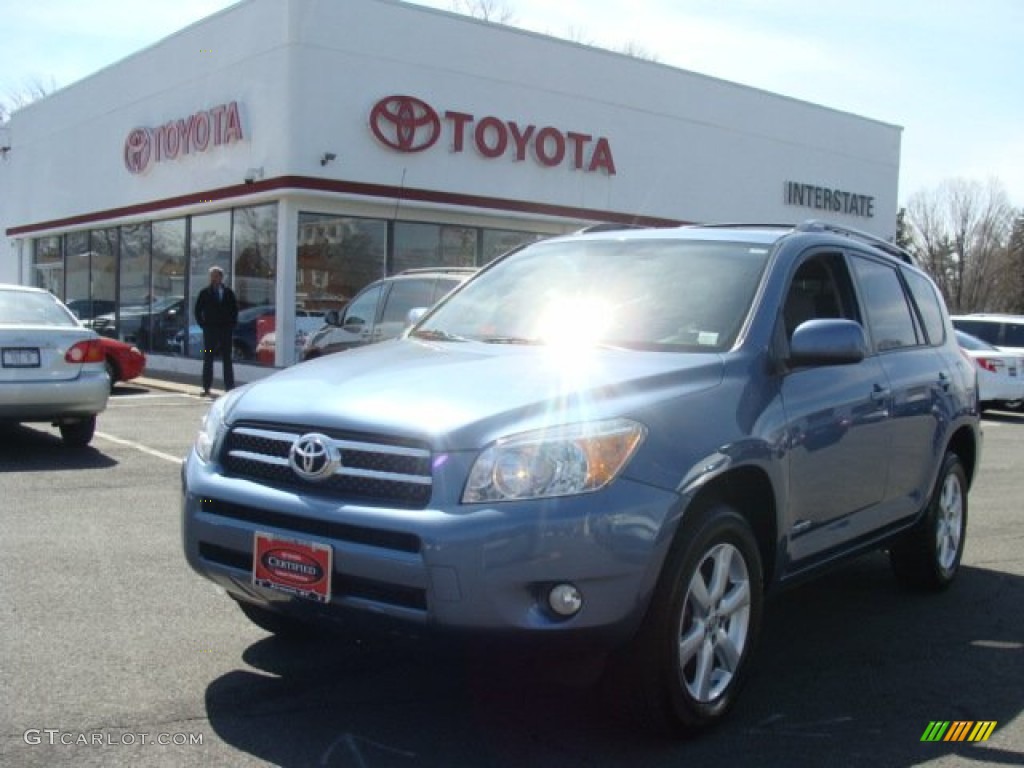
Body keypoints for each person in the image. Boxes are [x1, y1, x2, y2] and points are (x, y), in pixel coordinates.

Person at [194, 266, 239, 396]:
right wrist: (203, 325)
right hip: (210, 332)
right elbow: (198, 310)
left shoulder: (228, 292)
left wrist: (231, 324)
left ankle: (229, 387)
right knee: (208, 356)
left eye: (216, 276)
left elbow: (234, 310)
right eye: (211, 276)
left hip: (225, 331)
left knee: (227, 358)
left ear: (221, 277)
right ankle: (206, 387)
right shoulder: (205, 293)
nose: (213, 279)